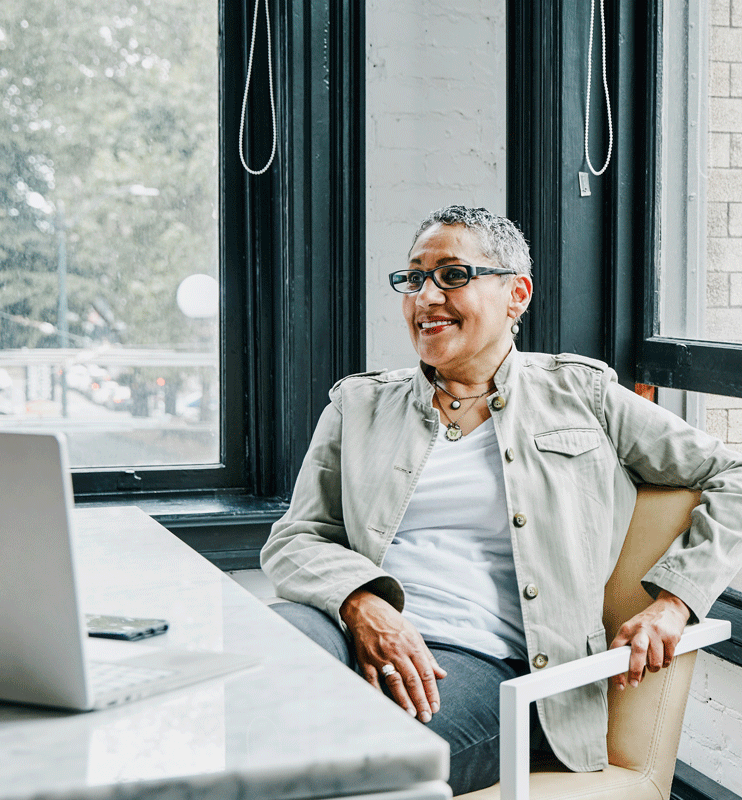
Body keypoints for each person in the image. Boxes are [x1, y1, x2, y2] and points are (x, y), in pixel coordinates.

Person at [260, 205, 742, 794]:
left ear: (517, 294)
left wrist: (674, 603)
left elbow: (732, 475)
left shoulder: (581, 395)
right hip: (351, 628)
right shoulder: (358, 408)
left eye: (453, 276)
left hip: (496, 670)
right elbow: (295, 537)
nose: (425, 297)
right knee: (250, 689)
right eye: (413, 279)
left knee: (351, 761)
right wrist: (364, 605)